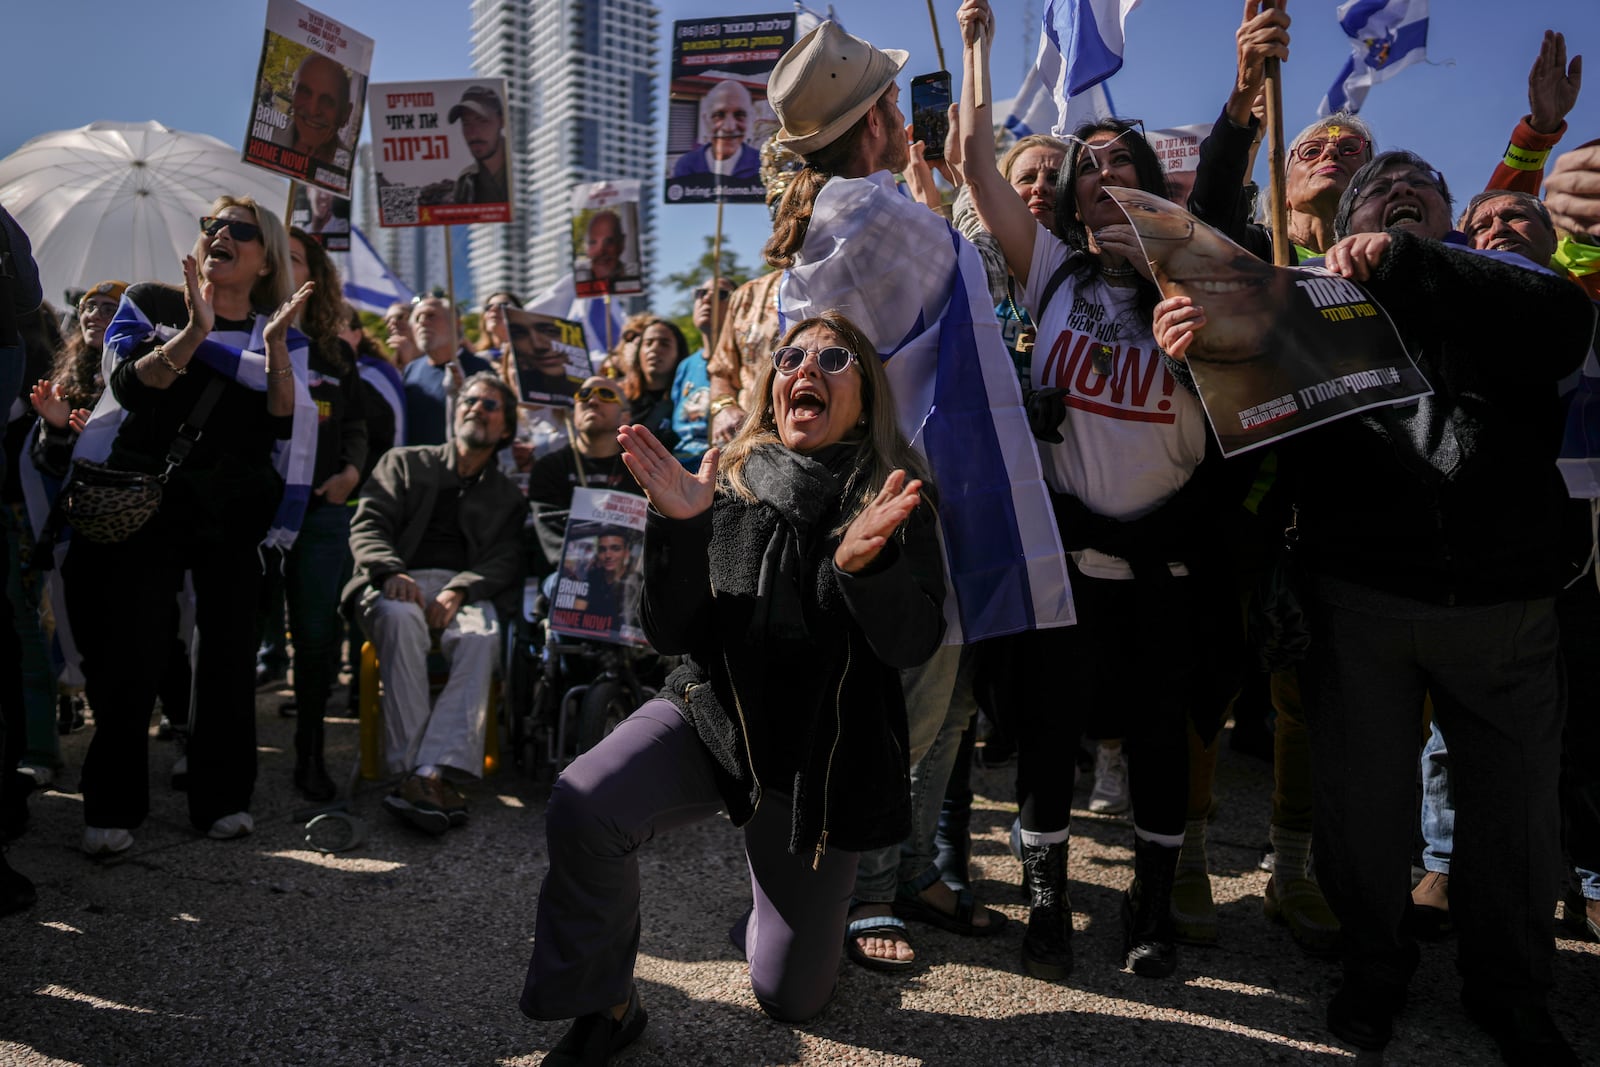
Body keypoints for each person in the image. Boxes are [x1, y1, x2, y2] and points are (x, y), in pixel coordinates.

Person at [1156, 150, 1596, 1061]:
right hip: (1359, 596)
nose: (1400, 194)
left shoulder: (1512, 286)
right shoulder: (1306, 304)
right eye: (1378, 191)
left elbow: (1557, 329)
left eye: (1421, 189)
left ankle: (1510, 987)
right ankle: (1373, 966)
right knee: (1361, 810)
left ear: (1453, 218)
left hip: (1504, 605)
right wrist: (1199, 346)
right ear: (1345, 228)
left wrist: (1406, 260)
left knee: (1513, 816)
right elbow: (1247, 428)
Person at [520, 310, 945, 1061]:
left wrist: (863, 570)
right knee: (586, 802)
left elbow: (912, 641)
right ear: (772, 388)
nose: (805, 367)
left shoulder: (893, 496)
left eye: (833, 357)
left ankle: (774, 914)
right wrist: (680, 527)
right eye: (790, 356)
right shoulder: (731, 482)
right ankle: (607, 1004)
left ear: (868, 395)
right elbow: (674, 636)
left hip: (815, 767)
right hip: (714, 720)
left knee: (789, 998)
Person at [765, 17, 1074, 972]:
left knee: (939, 696)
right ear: (868, 124)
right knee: (917, 706)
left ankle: (901, 875)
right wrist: (951, 184)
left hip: (893, 491)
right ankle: (872, 888)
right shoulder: (873, 213)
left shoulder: (844, 208)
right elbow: (968, 264)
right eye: (892, 104)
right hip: (900, 501)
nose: (905, 117)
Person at [959, 0, 1241, 982]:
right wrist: (975, 48)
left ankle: (1150, 912)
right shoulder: (1052, 277)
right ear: (1073, 201)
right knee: (1047, 740)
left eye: (1121, 160)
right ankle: (1045, 905)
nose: (1101, 172)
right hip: (1067, 564)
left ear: (1156, 184)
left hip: (1166, 566)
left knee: (1161, 744)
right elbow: (976, 169)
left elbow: (1249, 403)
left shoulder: (1206, 274)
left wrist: (1201, 348)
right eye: (1089, 167)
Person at [65, 197, 316, 853]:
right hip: (150, 500)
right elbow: (126, 385)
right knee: (134, 653)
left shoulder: (279, 328)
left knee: (230, 658)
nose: (220, 236)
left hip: (235, 510)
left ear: (263, 262)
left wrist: (272, 349)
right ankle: (113, 806)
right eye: (213, 226)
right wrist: (195, 331)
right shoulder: (150, 300)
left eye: (239, 229)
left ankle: (222, 798)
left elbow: (283, 419)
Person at [346, 372, 526, 836]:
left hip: (461, 588)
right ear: (455, 409)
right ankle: (422, 774)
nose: (477, 409)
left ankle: (421, 774)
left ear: (505, 428)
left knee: (481, 636)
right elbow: (369, 526)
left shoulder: (506, 494)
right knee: (398, 616)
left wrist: (462, 588)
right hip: (394, 579)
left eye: (490, 406)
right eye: (470, 401)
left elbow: (507, 558)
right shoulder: (404, 462)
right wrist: (389, 570)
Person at [272, 229, 367, 802]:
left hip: (322, 514)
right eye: (274, 255)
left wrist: (352, 472)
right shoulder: (245, 339)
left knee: (313, 635)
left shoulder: (336, 352)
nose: (283, 265)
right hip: (250, 512)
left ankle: (309, 752)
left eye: (295, 256)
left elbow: (355, 425)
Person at [526, 377, 643, 580]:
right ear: (573, 415)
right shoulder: (549, 468)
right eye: (584, 395)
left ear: (625, 416)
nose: (593, 401)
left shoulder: (641, 469)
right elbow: (552, 540)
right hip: (568, 579)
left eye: (606, 395)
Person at [401, 296, 495, 446]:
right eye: (417, 318)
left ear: (456, 323)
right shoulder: (411, 369)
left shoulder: (480, 370)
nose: (422, 323)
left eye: (431, 315)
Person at [669, 277, 734, 468]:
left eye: (721, 295)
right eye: (701, 293)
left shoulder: (746, 362)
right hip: (682, 470)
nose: (707, 300)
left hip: (726, 471)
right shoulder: (686, 366)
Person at [271, 55, 353, 167]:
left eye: (327, 101)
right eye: (305, 92)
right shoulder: (268, 135)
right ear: (294, 93)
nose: (312, 110)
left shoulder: (354, 171)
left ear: (345, 114)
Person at [671, 80, 761, 181]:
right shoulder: (686, 165)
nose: (729, 127)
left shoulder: (762, 164)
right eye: (718, 115)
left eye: (739, 115)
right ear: (706, 120)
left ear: (751, 119)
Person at [449, 85, 509, 205]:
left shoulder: (522, 168)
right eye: (466, 124)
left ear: (501, 122)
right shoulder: (466, 180)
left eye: (482, 121)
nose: (473, 132)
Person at [577, 212, 630, 289]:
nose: (600, 251)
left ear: (622, 243)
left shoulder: (633, 278)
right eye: (593, 243)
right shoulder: (577, 277)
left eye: (608, 242)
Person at [384, 300, 420, 367]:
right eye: (387, 321)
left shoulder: (435, 354)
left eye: (399, 317)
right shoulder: (388, 366)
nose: (392, 322)